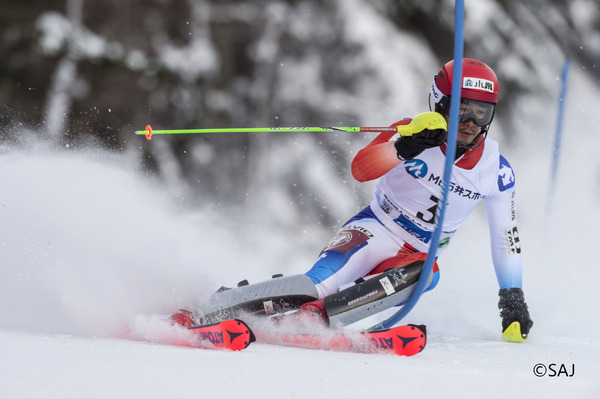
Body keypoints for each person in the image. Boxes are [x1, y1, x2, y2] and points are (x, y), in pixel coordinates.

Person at [171, 58, 533, 342]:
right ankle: (205, 309)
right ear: (440, 103)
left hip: (415, 255)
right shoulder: (413, 130)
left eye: (481, 112)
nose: (470, 122)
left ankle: (314, 319)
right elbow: (361, 169)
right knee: (315, 285)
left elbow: (506, 236)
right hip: (375, 228)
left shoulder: (495, 171)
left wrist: (512, 296)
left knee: (428, 272)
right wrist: (402, 149)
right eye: (462, 109)